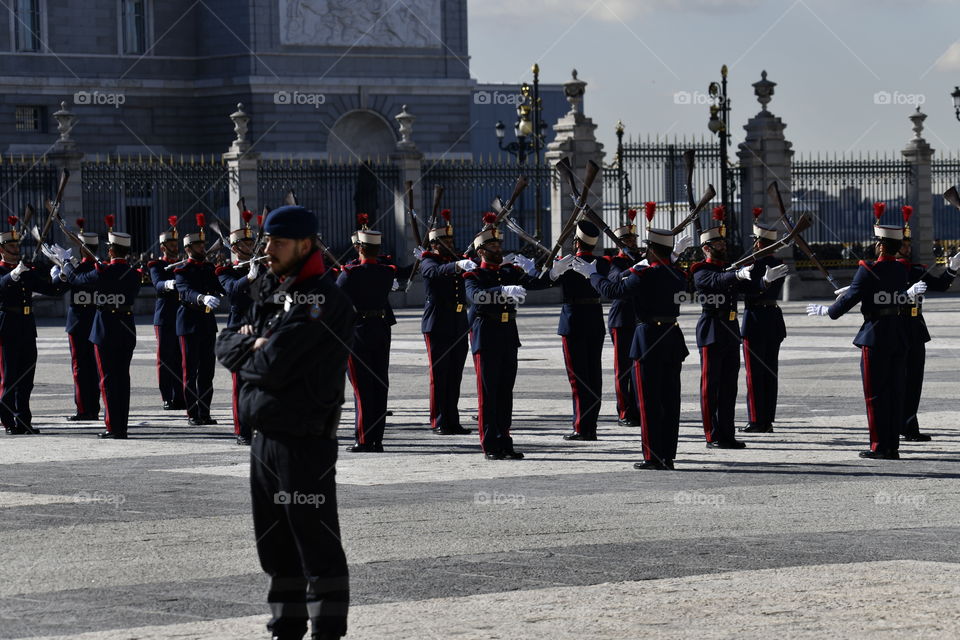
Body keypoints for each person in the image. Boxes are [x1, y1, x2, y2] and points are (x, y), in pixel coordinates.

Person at [215, 204, 352, 640]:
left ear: (305, 245)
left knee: (315, 543)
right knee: (274, 545)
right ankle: (285, 628)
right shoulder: (272, 291)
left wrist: (253, 347)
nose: (267, 249)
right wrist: (250, 344)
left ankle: (327, 631)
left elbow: (273, 364)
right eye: (267, 240)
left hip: (304, 441)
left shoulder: (323, 298)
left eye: (277, 242)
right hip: (264, 437)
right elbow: (226, 341)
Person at [807, 207, 922, 459]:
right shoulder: (900, 270)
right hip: (898, 335)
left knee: (875, 395)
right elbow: (884, 290)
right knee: (895, 392)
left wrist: (828, 310)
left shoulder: (867, 269)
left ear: (881, 246)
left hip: (876, 336)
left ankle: (879, 446)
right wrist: (853, 289)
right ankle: (893, 446)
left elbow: (849, 302)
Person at [572, 227, 689, 469]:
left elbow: (613, 291)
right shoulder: (678, 275)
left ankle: (653, 456)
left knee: (649, 401)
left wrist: (592, 275)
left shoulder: (645, 275)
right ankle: (668, 455)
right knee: (670, 400)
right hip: (672, 337)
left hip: (647, 339)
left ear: (653, 251)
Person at [462, 213, 556, 459]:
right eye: (492, 246)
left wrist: (554, 274)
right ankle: (490, 444)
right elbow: (477, 298)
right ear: (481, 251)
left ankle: (505, 440)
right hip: (486, 336)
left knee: (505, 392)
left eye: (498, 245)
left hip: (507, 335)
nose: (498, 249)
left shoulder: (509, 271)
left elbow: (533, 283)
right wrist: (502, 291)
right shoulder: (473, 276)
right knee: (489, 394)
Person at [53, 225, 141, 439]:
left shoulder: (104, 271)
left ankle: (114, 427)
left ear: (111, 250)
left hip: (105, 328)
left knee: (108, 380)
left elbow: (78, 280)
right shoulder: (134, 273)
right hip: (127, 326)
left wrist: (65, 263)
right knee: (123, 379)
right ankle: (123, 426)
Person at [690, 208, 763, 449]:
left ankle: (727, 433)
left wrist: (765, 281)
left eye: (723, 241)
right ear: (706, 248)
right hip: (711, 329)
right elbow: (716, 282)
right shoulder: (700, 270)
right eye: (717, 243)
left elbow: (747, 289)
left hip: (731, 330)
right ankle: (712, 434)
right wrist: (737, 274)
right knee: (711, 386)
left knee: (729, 385)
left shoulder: (728, 269)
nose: (723, 245)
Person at [895, 207, 959, 441]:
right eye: (903, 245)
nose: (908, 249)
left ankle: (910, 426)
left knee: (914, 380)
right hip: (894, 329)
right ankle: (894, 425)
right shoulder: (883, 270)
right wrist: (904, 295)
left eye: (908, 245)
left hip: (915, 329)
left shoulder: (917, 269)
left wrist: (952, 269)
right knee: (896, 380)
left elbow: (940, 285)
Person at [336, 218, 396, 452]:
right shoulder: (386, 272)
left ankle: (364, 439)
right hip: (381, 330)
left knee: (362, 389)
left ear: (359, 248)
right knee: (380, 386)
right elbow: (376, 265)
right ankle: (377, 440)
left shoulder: (350, 273)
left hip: (358, 333)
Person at [414, 209, 474, 435]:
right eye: (445, 240)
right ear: (435, 244)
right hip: (437, 324)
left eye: (451, 240)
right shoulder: (427, 260)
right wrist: (458, 266)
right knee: (439, 375)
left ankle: (452, 420)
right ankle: (439, 420)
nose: (450, 243)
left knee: (455, 374)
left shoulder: (456, 259)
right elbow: (436, 272)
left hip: (458, 322)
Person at [0, 215, 61, 434]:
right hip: (7, 328)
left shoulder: (26, 270)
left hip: (27, 326)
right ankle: (7, 420)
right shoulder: (8, 271)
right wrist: (13, 275)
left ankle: (24, 420)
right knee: (10, 378)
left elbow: (53, 290)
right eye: (11, 246)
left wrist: (63, 273)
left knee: (27, 377)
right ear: (2, 250)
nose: (16, 249)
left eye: (17, 245)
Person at [555, 220, 607, 441]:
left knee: (578, 378)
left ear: (576, 241)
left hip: (573, 321)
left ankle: (581, 427)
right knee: (594, 376)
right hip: (594, 319)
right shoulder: (603, 263)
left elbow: (541, 277)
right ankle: (591, 426)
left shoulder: (565, 263)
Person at [739, 218, 789, 434]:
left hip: (755, 320)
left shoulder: (752, 265)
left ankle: (757, 419)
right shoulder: (778, 264)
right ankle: (767, 418)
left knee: (755, 374)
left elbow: (742, 292)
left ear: (759, 243)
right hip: (773, 320)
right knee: (769, 373)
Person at [175, 213, 225, 426]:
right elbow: (185, 292)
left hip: (206, 324)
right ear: (188, 249)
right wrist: (202, 297)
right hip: (188, 323)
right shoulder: (181, 270)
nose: (203, 248)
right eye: (199, 246)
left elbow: (221, 286)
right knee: (190, 371)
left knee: (207, 371)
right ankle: (192, 413)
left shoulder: (208, 268)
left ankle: (204, 411)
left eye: (204, 245)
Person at [217, 210, 259, 445]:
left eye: (252, 242)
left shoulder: (262, 267)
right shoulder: (225, 272)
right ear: (234, 248)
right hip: (238, 331)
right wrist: (250, 277)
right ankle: (242, 430)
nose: (251, 246)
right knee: (241, 384)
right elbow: (232, 290)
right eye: (246, 243)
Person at [605, 209, 642, 427]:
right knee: (623, 368)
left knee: (639, 366)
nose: (632, 242)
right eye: (627, 239)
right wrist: (633, 267)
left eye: (633, 238)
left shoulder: (642, 257)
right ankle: (624, 411)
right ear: (620, 243)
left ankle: (638, 408)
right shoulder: (614, 262)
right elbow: (615, 280)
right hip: (622, 319)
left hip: (640, 318)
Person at [62, 219, 101, 422]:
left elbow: (74, 281)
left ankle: (84, 409)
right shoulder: (100, 267)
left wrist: (64, 265)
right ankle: (92, 407)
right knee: (94, 367)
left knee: (80, 368)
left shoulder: (79, 269)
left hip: (78, 324)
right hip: (94, 323)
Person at [148, 216, 187, 411]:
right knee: (165, 358)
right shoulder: (156, 265)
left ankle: (180, 395)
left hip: (182, 315)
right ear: (163, 247)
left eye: (175, 243)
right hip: (164, 317)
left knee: (181, 358)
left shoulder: (183, 265)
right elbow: (158, 284)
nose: (174, 247)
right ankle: (167, 396)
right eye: (170, 244)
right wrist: (169, 284)